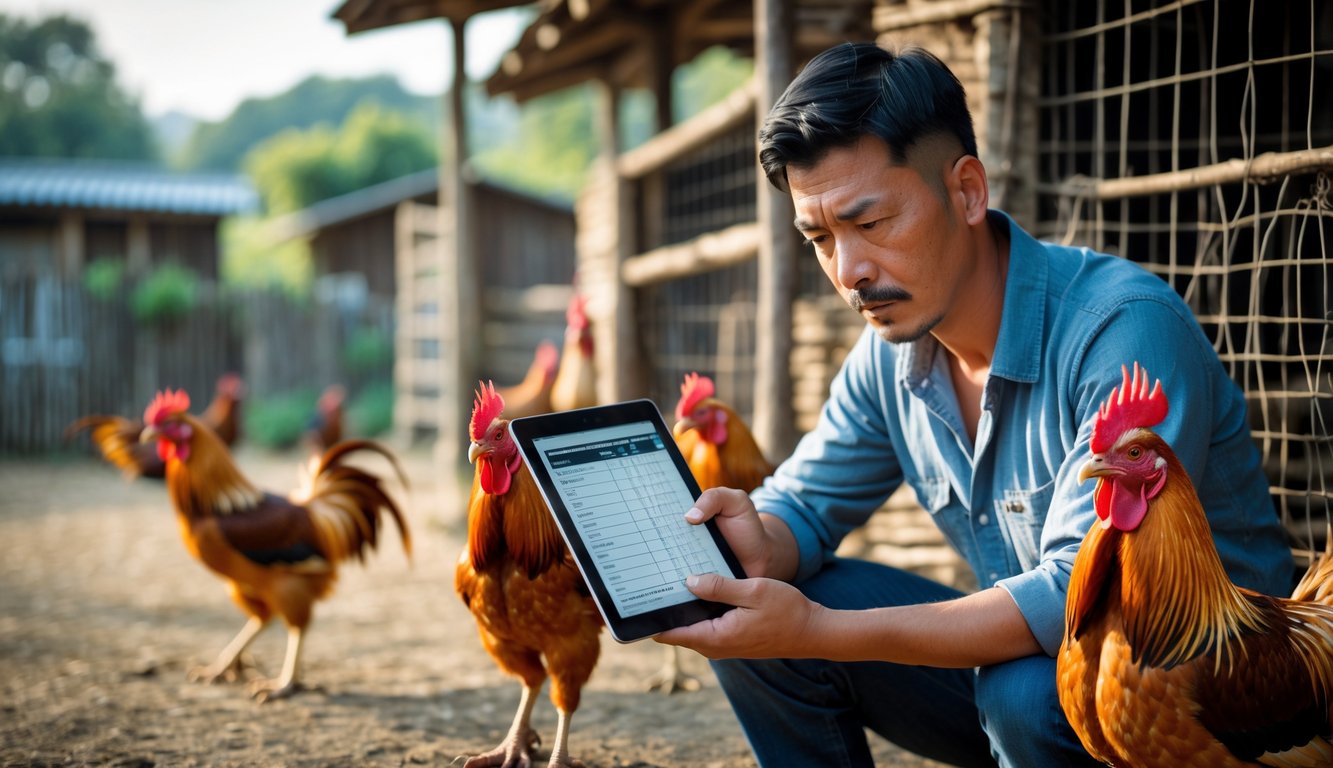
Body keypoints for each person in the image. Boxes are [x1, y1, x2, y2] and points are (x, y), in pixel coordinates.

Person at [653, 42, 1293, 767]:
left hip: (1213, 706)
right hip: (1044, 689)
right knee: (751, 602)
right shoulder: (887, 356)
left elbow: (1066, 598)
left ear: (965, 192)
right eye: (820, 239)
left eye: (870, 223)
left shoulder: (1119, 327)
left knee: (1021, 692)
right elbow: (801, 507)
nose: (848, 270)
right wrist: (756, 540)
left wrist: (818, 630)